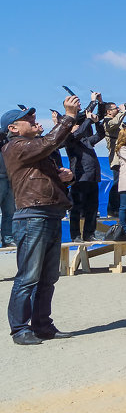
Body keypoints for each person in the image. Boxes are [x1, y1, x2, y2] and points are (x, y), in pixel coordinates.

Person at [3, 96, 79, 345]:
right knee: (28, 276)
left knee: (48, 277)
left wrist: (65, 178)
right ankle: (20, 329)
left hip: (49, 213)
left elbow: (45, 162)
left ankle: (43, 325)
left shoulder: (34, 149)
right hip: (32, 216)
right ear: (12, 129)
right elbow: (49, 142)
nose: (33, 119)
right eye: (27, 119)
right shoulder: (15, 146)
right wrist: (68, 116)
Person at [64, 93, 104, 242]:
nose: (76, 126)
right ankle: (75, 236)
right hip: (79, 177)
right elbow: (79, 132)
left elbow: (101, 134)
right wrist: (87, 119)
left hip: (92, 176)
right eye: (73, 125)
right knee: (76, 208)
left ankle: (89, 234)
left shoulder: (86, 140)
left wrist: (97, 121)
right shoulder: (70, 139)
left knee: (92, 208)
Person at [102, 100, 126, 217]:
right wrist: (123, 111)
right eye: (115, 108)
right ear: (108, 112)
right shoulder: (107, 122)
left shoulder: (121, 124)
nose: (118, 109)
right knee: (117, 183)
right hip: (116, 158)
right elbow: (115, 123)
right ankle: (112, 209)